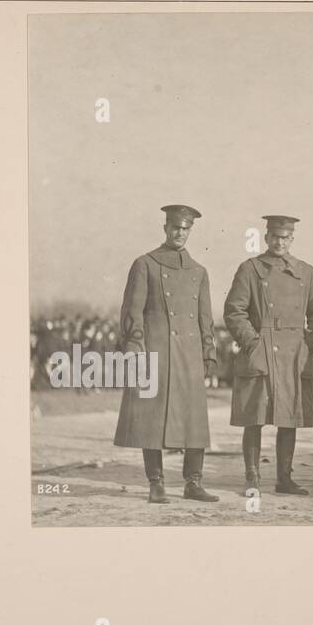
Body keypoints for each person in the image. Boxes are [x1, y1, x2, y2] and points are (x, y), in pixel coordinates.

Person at [113, 204, 220, 503]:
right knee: (152, 418)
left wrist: (208, 352)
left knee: (193, 420)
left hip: (189, 354)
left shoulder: (199, 271)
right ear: (165, 228)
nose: (179, 233)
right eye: (175, 227)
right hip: (155, 353)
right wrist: (135, 347)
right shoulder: (145, 264)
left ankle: (193, 483)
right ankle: (156, 482)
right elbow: (132, 311)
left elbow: (205, 318)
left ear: (191, 231)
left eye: (185, 228)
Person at [224, 215, 313, 495]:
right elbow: (234, 310)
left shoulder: (306, 271)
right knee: (254, 417)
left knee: (289, 417)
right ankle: (252, 477)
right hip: (262, 350)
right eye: (274, 236)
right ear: (266, 237)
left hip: (294, 353)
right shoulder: (251, 269)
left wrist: (308, 343)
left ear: (292, 239)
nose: (279, 242)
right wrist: (252, 342)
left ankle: (285, 478)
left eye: (285, 237)